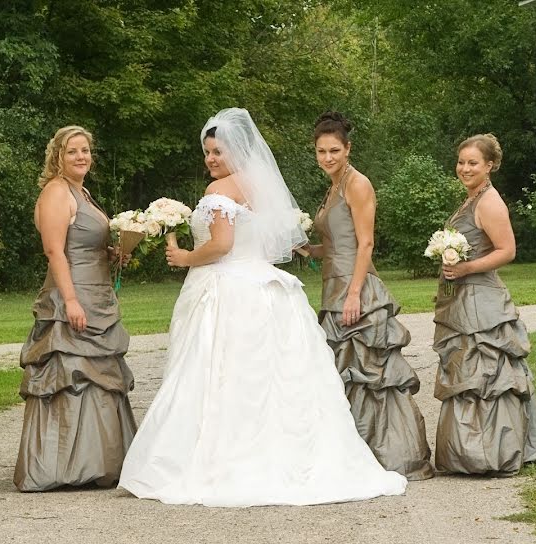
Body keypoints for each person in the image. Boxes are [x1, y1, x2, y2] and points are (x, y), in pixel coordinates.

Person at [118, 108, 407, 507]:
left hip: (230, 288)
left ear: (236, 150)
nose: (211, 159)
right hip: (266, 287)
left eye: (218, 151)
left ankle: (226, 458)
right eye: (207, 152)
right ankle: (281, 453)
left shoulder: (218, 193)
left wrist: (184, 258)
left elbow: (220, 246)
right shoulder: (257, 187)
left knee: (222, 374)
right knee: (269, 378)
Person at [302, 112, 433, 480]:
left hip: (355, 291)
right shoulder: (333, 185)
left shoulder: (357, 184)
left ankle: (386, 455)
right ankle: (349, 451)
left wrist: (354, 294)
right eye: (321, 151)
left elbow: (366, 243)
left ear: (348, 149)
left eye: (334, 150)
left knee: (370, 376)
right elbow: (336, 244)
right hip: (333, 290)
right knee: (341, 375)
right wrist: (309, 249)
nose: (327, 157)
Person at [15, 125, 137, 492]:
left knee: (99, 376)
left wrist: (116, 253)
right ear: (57, 157)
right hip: (74, 295)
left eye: (85, 150)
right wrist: (70, 300)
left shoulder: (81, 192)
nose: (81, 157)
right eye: (72, 152)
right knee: (70, 375)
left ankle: (100, 460)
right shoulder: (56, 192)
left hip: (97, 294)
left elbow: (84, 243)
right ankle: (63, 465)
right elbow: (55, 250)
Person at [433, 133, 536, 475]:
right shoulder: (471, 199)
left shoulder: (489, 202)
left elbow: (507, 251)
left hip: (481, 301)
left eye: (473, 163)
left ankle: (491, 452)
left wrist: (465, 267)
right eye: (461, 162)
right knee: (468, 372)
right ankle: (467, 450)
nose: (465, 168)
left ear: (490, 166)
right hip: (464, 297)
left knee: (487, 375)